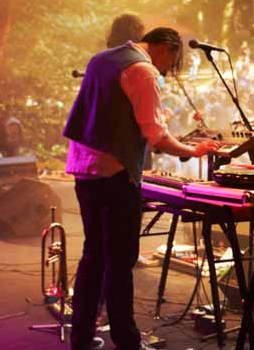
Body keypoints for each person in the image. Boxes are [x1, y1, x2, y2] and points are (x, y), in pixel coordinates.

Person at [63, 27, 223, 350]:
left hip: (84, 170)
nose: (166, 70)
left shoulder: (101, 59)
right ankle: (127, 342)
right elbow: (156, 136)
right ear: (165, 48)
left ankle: (80, 338)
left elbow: (109, 116)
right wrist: (195, 151)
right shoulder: (143, 70)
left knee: (93, 255)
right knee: (121, 261)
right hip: (115, 176)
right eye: (171, 62)